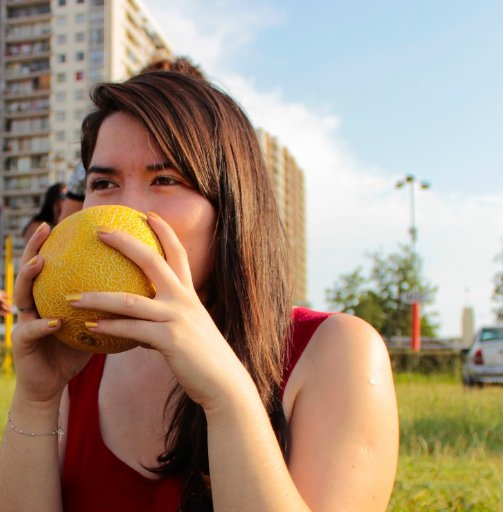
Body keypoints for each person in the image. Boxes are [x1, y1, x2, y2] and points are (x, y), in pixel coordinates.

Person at [0, 71, 399, 511]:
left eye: (165, 179)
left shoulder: (335, 351)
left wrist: (225, 395)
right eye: (104, 183)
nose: (122, 212)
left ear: (229, 206)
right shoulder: (78, 362)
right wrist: (37, 398)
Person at [58, 55, 205, 223]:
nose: (128, 210)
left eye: (165, 181)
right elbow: (66, 224)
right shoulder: (96, 158)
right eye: (104, 184)